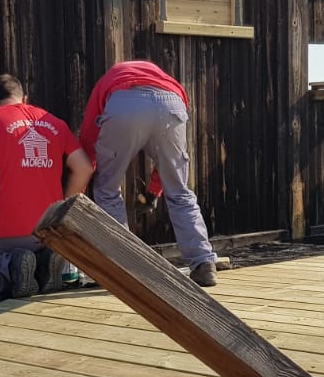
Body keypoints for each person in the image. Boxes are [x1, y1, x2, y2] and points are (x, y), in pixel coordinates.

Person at [0, 75, 90, 297]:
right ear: (24, 98)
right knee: (29, 255)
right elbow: (84, 168)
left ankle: (11, 268)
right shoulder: (55, 123)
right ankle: (42, 264)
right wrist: (60, 214)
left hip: (2, 232)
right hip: (46, 232)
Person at [79, 60, 219, 287]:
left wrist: (83, 178)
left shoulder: (110, 79)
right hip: (172, 104)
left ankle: (125, 266)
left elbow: (89, 134)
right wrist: (154, 191)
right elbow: (168, 163)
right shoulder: (166, 80)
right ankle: (203, 263)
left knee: (107, 189)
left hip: (125, 105)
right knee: (179, 191)